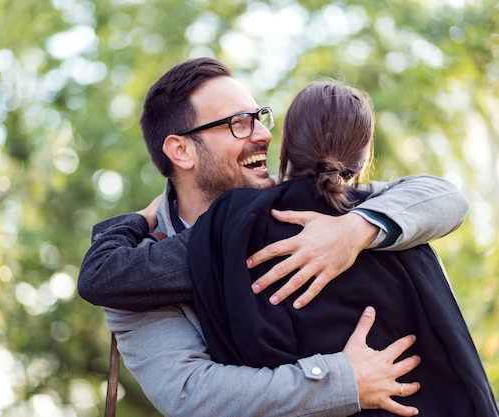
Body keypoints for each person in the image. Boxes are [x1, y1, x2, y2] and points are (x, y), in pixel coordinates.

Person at [79, 57, 469, 416]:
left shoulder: (307, 202)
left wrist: (353, 230)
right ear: (181, 150)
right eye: (238, 123)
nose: (265, 134)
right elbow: (190, 393)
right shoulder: (136, 275)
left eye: (260, 117)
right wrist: (343, 379)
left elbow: (444, 198)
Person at [186, 78, 499, 416]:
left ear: (284, 147)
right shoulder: (403, 237)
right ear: (363, 159)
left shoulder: (228, 228)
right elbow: (457, 363)